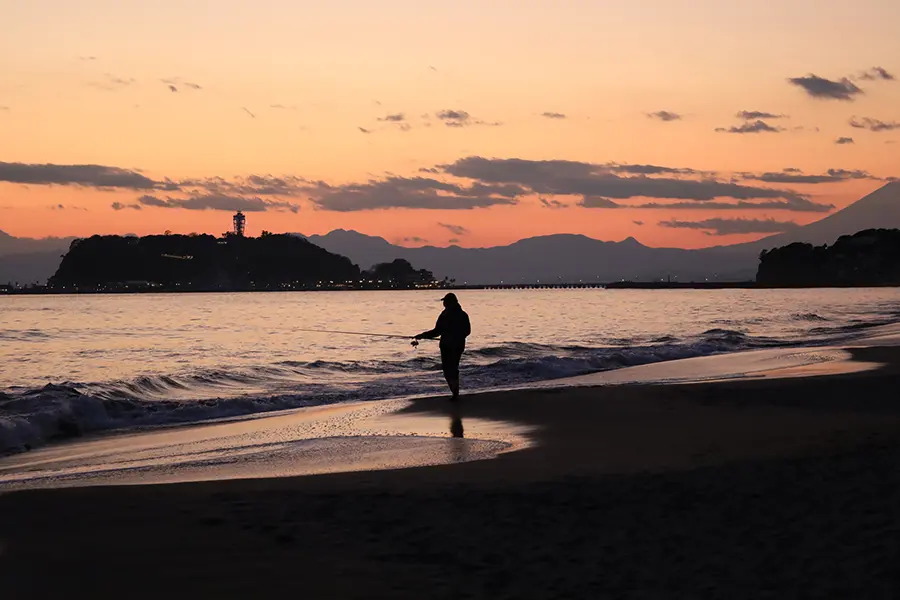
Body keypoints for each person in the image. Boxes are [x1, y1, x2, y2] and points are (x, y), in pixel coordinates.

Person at [414, 292, 471, 401]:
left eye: (445, 301)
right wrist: (422, 335)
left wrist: (423, 335)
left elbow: (437, 331)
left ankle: (455, 393)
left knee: (449, 370)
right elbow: (466, 331)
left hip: (450, 346)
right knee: (452, 369)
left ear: (450, 302)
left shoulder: (449, 315)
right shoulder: (460, 314)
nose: (444, 303)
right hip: (453, 345)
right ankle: (455, 393)